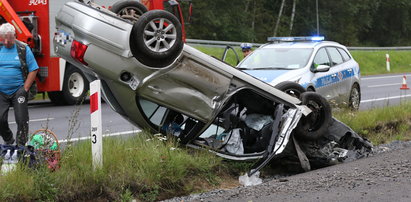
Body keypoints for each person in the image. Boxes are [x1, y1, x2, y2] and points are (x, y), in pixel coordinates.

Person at [0, 23, 39, 146]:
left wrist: (25, 88)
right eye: (3, 38)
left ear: (14, 36)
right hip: (1, 91)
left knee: (22, 120)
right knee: (0, 119)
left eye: (9, 38)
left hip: (18, 91)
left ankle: (21, 147)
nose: (6, 41)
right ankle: (9, 139)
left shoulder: (23, 48)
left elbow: (34, 69)